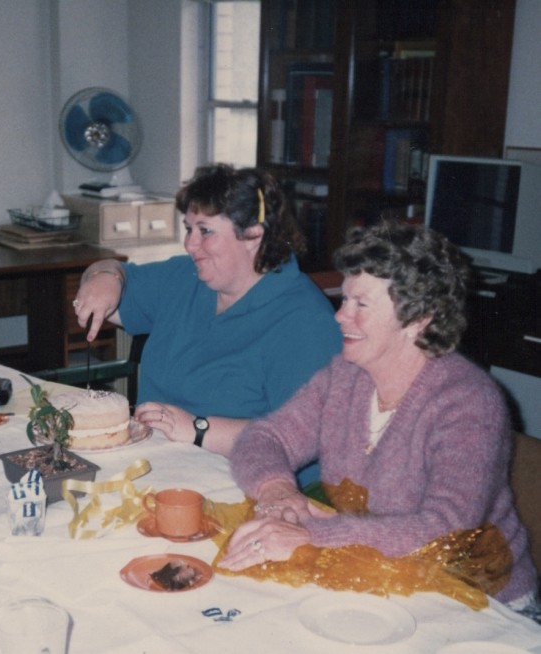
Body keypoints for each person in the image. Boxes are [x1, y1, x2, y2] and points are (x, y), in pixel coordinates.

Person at [221, 222, 539, 612]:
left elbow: (445, 527)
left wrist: (308, 535)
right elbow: (265, 437)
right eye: (344, 301)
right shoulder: (345, 375)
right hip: (379, 575)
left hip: (475, 600)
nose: (340, 316)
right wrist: (277, 491)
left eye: (361, 305)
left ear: (418, 318)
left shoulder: (468, 402)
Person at [73, 164, 341, 461]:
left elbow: (309, 436)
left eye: (205, 231)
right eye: (189, 229)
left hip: (249, 481)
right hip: (156, 464)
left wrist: (198, 430)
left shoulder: (305, 320)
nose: (190, 244)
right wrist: (105, 276)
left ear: (253, 235)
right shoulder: (185, 277)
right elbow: (114, 274)